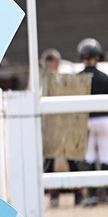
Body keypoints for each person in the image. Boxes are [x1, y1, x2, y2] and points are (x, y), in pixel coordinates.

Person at [73, 38, 108, 206]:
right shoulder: (104, 77)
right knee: (106, 157)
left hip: (87, 122)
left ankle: (92, 196)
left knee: (89, 158)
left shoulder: (78, 78)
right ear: (97, 56)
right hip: (105, 120)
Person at [39, 48, 63, 207]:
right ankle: (53, 193)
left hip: (62, 124)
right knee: (50, 161)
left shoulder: (60, 80)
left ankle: (78, 192)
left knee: (70, 160)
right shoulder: (42, 81)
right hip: (49, 125)